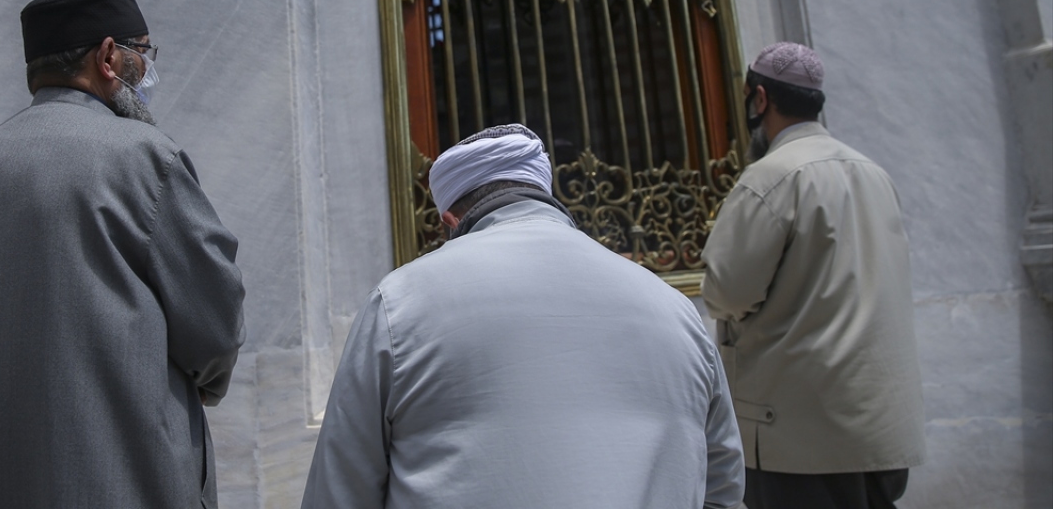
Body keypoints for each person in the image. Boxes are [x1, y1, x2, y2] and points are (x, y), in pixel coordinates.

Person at [302, 124, 744, 509]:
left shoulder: (398, 304)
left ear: (449, 221)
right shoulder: (675, 310)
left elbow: (341, 492)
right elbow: (723, 491)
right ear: (546, 194)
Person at [0, 0, 246, 509]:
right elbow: (216, 324)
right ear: (107, 57)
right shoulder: (143, 158)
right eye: (140, 53)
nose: (145, 72)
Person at [702, 42, 925, 509]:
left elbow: (726, 293)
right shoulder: (874, 173)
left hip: (799, 437)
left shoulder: (770, 178)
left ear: (760, 99)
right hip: (880, 429)